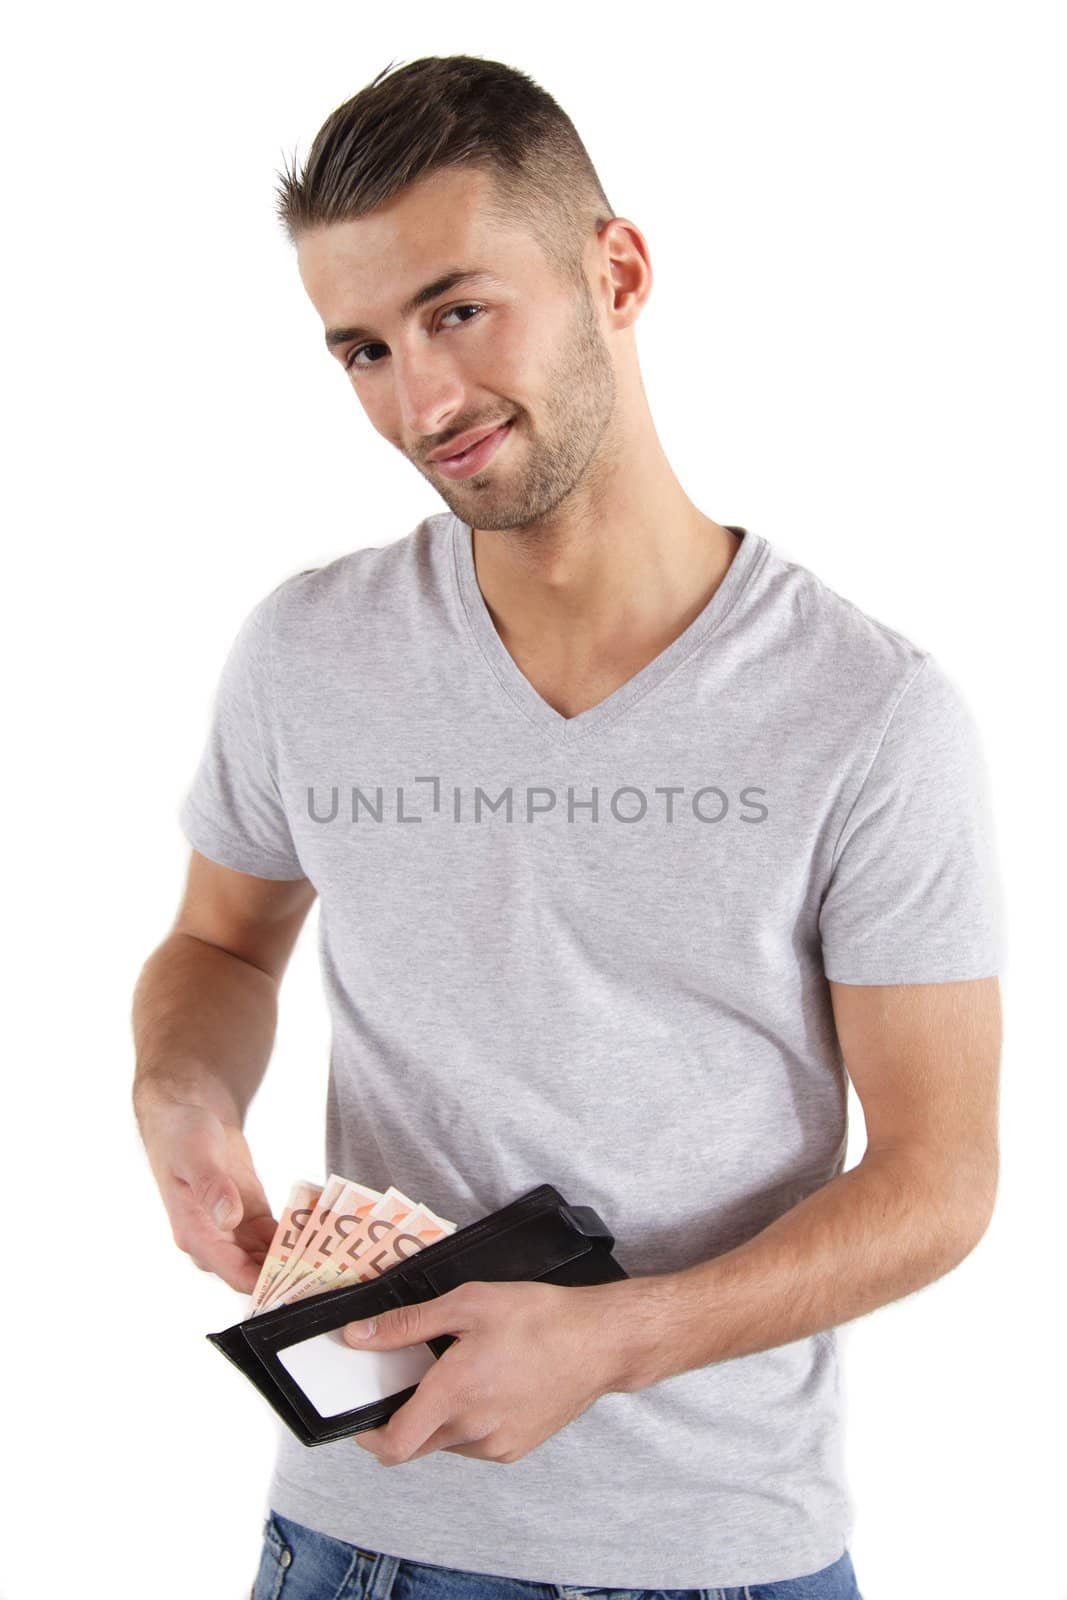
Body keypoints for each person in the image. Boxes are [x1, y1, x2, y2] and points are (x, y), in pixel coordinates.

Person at [131, 53, 1005, 1600]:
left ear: (617, 269)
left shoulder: (871, 713)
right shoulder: (306, 653)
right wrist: (183, 1093)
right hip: (362, 1542)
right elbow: (219, 940)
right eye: (362, 351)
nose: (423, 401)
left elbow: (939, 1180)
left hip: (728, 1557)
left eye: (459, 311)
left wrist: (615, 1340)